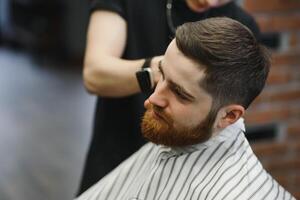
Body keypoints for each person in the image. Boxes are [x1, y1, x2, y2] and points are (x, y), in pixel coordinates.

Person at [76, 17, 295, 200]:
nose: (152, 99)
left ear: (229, 115)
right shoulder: (176, 135)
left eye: (180, 93)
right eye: (161, 74)